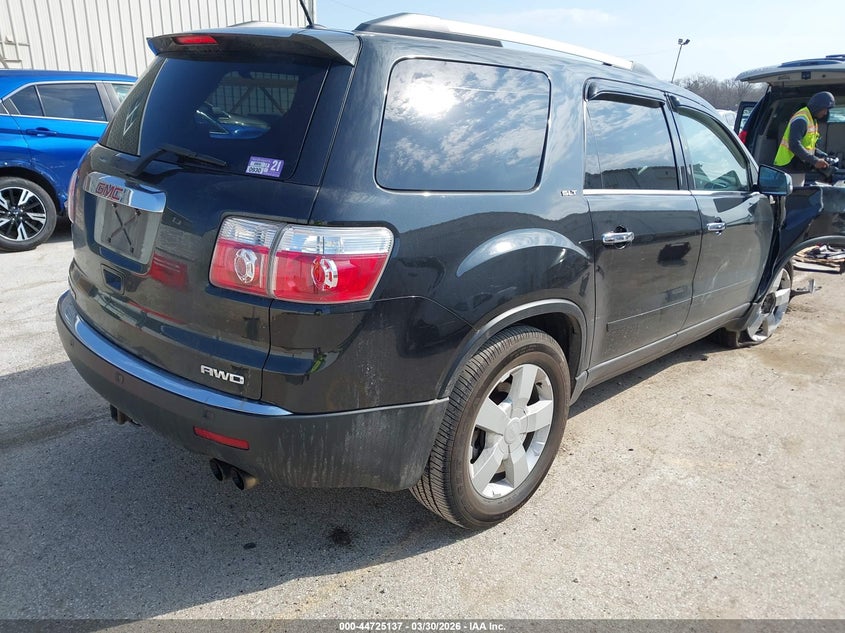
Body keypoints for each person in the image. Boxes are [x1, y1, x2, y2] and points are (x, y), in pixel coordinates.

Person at [773, 91, 836, 186]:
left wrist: (822, 156)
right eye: (825, 109)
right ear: (818, 106)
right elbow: (794, 145)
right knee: (793, 197)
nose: (825, 113)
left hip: (797, 167)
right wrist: (815, 161)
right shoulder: (801, 119)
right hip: (789, 167)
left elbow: (809, 146)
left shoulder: (811, 119)